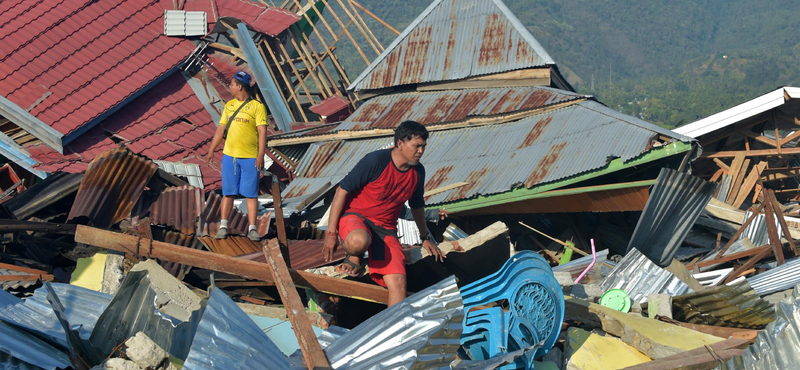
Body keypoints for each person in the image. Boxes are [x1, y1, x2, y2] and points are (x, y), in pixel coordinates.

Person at [323, 120, 445, 306]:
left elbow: (417, 207)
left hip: (386, 230)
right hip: (356, 219)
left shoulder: (418, 172)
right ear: (400, 143)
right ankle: (354, 254)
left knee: (398, 282)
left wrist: (424, 237)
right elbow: (341, 191)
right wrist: (331, 233)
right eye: (416, 146)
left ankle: (396, 330)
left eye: (423, 147)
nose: (420, 151)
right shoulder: (376, 161)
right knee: (358, 241)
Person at [204, 71, 267, 241]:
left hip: (250, 157)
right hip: (230, 156)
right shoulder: (229, 106)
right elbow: (221, 129)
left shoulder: (257, 107)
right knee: (228, 192)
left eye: (232, 84)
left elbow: (262, 131)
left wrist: (260, 154)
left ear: (239, 86)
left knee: (251, 194)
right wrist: (212, 150)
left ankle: (252, 228)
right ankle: (223, 225)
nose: (230, 87)